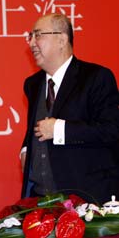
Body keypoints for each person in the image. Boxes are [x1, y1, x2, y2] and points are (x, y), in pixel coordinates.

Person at [20, 13, 119, 204]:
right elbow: (37, 122)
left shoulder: (96, 78)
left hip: (89, 200)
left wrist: (60, 129)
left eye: (38, 35)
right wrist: (26, 148)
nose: (31, 43)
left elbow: (111, 130)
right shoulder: (32, 84)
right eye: (30, 36)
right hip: (43, 200)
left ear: (62, 39)